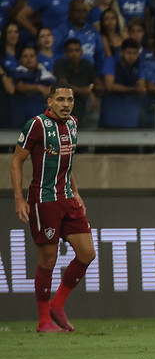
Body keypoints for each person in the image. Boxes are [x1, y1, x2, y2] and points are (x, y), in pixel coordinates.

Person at [11, 82, 96, 333]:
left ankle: (57, 305)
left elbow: (65, 163)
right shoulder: (36, 125)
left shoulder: (73, 124)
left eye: (69, 100)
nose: (66, 104)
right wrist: (18, 198)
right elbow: (16, 161)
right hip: (44, 200)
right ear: (49, 102)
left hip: (68, 198)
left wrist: (76, 191)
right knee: (48, 260)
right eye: (60, 99)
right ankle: (43, 321)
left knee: (87, 253)